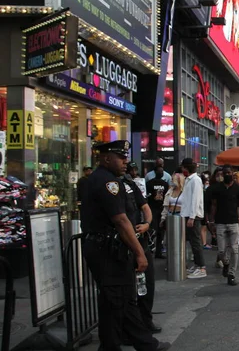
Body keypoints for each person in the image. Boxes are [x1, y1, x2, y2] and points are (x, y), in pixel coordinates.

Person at [82, 140, 169, 351]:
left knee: (123, 298)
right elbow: (121, 220)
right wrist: (140, 253)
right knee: (116, 300)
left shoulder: (110, 180)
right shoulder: (107, 183)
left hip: (108, 248)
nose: (125, 161)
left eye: (125, 157)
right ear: (106, 158)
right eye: (120, 157)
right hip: (107, 250)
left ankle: (144, 343)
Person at [122, 168, 161, 335]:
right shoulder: (111, 186)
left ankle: (146, 320)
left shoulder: (131, 185)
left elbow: (145, 206)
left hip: (141, 239)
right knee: (129, 289)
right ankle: (130, 327)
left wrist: (147, 223)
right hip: (124, 243)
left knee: (147, 284)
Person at [210, 165, 239, 286]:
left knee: (234, 249)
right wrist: (211, 221)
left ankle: (231, 274)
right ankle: (226, 264)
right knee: (221, 251)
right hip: (220, 222)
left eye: (229, 173)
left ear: (233, 174)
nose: (227, 175)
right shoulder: (217, 189)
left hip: (233, 222)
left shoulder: (238, 189)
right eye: (224, 173)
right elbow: (214, 205)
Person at [180, 158, 207, 279]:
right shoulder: (189, 180)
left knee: (196, 242)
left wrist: (192, 217)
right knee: (192, 242)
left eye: (183, 167)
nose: (182, 170)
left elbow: (195, 200)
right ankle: (197, 265)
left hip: (193, 216)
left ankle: (201, 267)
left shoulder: (195, 180)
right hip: (188, 215)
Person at [146, 166, 170, 259]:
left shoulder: (161, 183)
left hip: (160, 209)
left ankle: (158, 252)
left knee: (159, 231)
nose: (161, 173)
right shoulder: (152, 183)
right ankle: (151, 248)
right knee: (153, 230)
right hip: (153, 209)